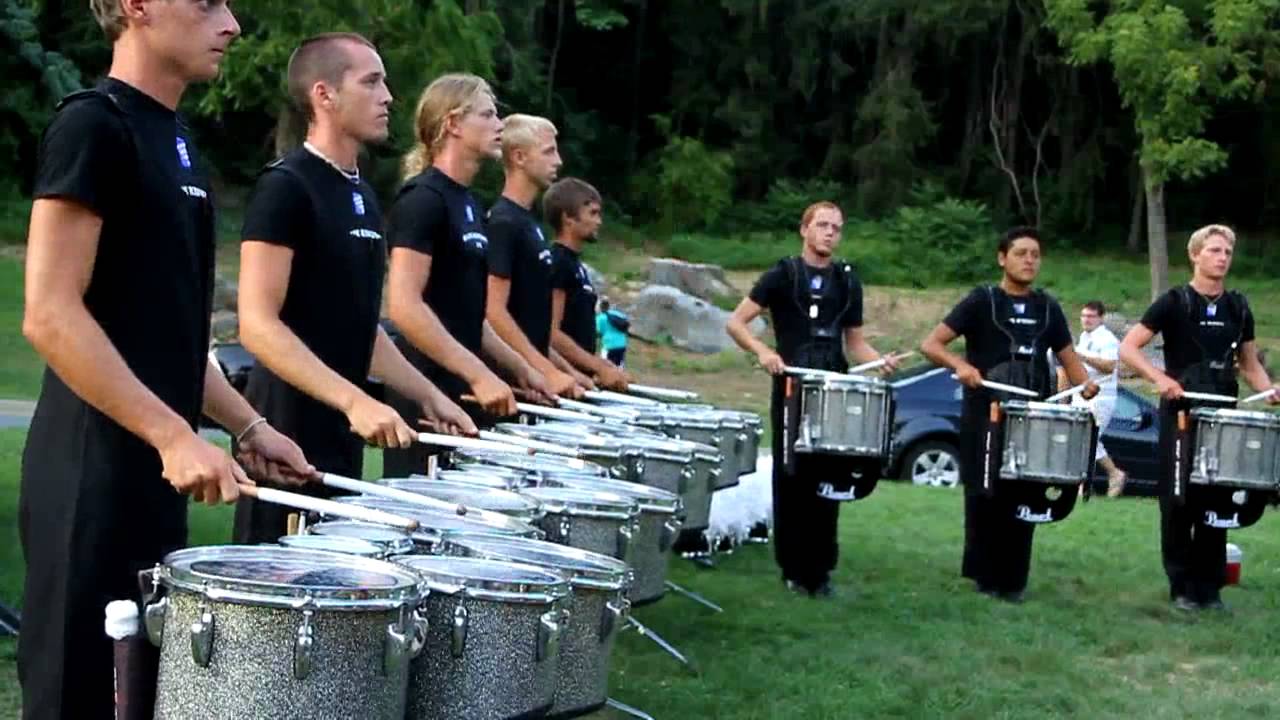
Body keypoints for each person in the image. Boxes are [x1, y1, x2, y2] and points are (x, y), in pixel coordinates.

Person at [18, 1, 313, 716]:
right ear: (136, 6)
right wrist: (172, 434)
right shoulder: (95, 125)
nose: (233, 22)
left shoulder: (177, 143)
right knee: (78, 697)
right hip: (91, 482)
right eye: (207, 1)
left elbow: (167, 335)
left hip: (153, 478)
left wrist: (246, 428)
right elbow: (50, 314)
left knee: (142, 698)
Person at [233, 34, 475, 543]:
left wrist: (428, 396)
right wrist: (354, 401)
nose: (388, 96)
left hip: (340, 435)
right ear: (324, 95)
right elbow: (257, 324)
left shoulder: (361, 193)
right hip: (284, 436)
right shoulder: (286, 186)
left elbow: (362, 328)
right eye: (371, 82)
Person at [726, 201, 900, 598]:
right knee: (792, 476)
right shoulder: (782, 274)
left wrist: (879, 362)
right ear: (804, 229)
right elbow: (736, 322)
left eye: (836, 228)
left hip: (833, 386)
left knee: (830, 473)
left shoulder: (848, 280)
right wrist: (764, 352)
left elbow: (854, 342)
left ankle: (821, 571)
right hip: (792, 385)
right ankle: (793, 568)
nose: (829, 233)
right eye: (822, 225)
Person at [385, 73, 552, 476]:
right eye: (489, 114)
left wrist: (524, 369)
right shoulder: (423, 199)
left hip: (467, 390)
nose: (500, 125)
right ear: (453, 124)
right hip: (426, 392)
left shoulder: (470, 203)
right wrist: (478, 373)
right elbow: (405, 306)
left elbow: (469, 314)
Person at [921, 227, 1098, 603]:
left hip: (1031, 417)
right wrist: (960, 366)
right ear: (1003, 258)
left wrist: (1086, 384)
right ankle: (984, 576)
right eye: (1021, 253)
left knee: (1025, 493)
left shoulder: (1048, 307)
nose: (1029, 260)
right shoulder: (981, 300)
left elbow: (1070, 359)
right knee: (986, 494)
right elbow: (931, 344)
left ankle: (1014, 580)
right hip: (985, 413)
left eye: (1035, 254)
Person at [1119, 224, 1280, 611]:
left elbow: (1248, 363)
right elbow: (1129, 347)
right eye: (1214, 250)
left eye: (1226, 251)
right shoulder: (1174, 301)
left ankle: (1210, 587)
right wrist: (1160, 379)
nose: (1222, 257)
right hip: (1181, 414)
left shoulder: (1238, 306)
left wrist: (1271, 388)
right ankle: (1181, 586)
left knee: (1217, 497)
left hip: (1223, 412)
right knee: (1179, 500)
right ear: (1195, 255)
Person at [484, 114, 587, 398]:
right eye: (549, 152)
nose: (559, 161)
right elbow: (493, 312)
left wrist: (568, 371)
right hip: (509, 384)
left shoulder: (529, 224)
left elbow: (536, 326)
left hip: (535, 380)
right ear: (519, 157)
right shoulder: (503, 223)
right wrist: (545, 370)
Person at [545, 177, 631, 391]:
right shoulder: (558, 262)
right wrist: (597, 366)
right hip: (564, 382)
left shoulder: (576, 265)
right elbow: (551, 333)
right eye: (592, 213)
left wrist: (605, 366)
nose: (599, 221)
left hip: (582, 378)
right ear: (568, 218)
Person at [1057, 301, 1127, 497]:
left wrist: (1082, 356)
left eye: (1091, 316)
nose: (1086, 320)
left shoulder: (1107, 339)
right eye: (1083, 316)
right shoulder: (1084, 337)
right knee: (1080, 439)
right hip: (1081, 393)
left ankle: (1113, 474)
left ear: (1101, 318)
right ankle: (1084, 484)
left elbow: (1110, 366)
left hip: (1101, 396)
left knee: (1088, 439)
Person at [596, 299, 629, 367]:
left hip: (609, 346)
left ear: (600, 308)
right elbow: (625, 322)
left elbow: (598, 332)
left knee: (605, 367)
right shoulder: (618, 314)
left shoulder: (600, 318)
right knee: (619, 366)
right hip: (622, 344)